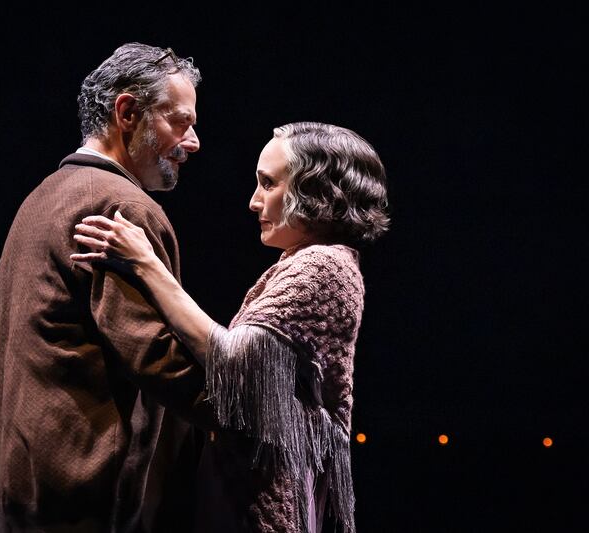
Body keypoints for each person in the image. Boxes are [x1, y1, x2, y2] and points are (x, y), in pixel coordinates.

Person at [72, 121, 390, 533]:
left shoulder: (323, 266)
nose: (254, 202)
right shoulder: (308, 262)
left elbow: (234, 359)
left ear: (316, 191)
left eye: (268, 184)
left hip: (260, 496)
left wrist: (146, 264)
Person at [0, 43, 210, 532]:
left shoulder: (38, 200)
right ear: (127, 113)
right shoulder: (122, 208)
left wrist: (45, 426)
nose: (194, 142)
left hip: (19, 500)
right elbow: (159, 360)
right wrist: (257, 411)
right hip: (90, 504)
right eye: (180, 122)